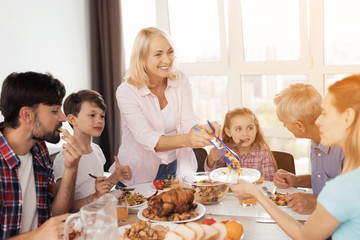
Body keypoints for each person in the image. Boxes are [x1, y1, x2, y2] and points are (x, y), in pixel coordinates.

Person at [229, 75, 360, 239]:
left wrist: (257, 194)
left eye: (325, 113)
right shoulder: (319, 145)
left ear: (347, 118)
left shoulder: (346, 178)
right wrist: (297, 181)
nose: (318, 120)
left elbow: (305, 236)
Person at [109, 27, 220, 186]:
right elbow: (146, 137)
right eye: (158, 54)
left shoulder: (180, 79)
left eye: (169, 52)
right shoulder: (126, 91)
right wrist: (187, 140)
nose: (167, 60)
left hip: (176, 167)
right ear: (141, 58)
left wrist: (204, 129)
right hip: (139, 171)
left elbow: (187, 120)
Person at [0, 72, 85, 239]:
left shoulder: (39, 149)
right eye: (54, 110)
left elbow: (57, 212)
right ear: (27, 115)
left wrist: (71, 168)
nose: (63, 117)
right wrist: (37, 235)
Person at [53, 90, 132, 212]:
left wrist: (116, 176)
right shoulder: (63, 159)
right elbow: (65, 208)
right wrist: (95, 196)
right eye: (92, 115)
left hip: (101, 215)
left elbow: (99, 189)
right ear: (72, 120)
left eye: (102, 116)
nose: (99, 120)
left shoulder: (96, 150)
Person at [273, 83, 344, 214]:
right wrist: (296, 180)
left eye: (284, 122)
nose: (284, 126)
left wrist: (315, 202)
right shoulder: (316, 137)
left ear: (299, 125)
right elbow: (325, 178)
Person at [204, 107, 277, 181]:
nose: (245, 133)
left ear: (256, 129)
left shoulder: (263, 153)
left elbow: (270, 181)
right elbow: (213, 177)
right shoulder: (224, 150)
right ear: (228, 132)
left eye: (250, 128)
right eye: (238, 129)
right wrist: (211, 159)